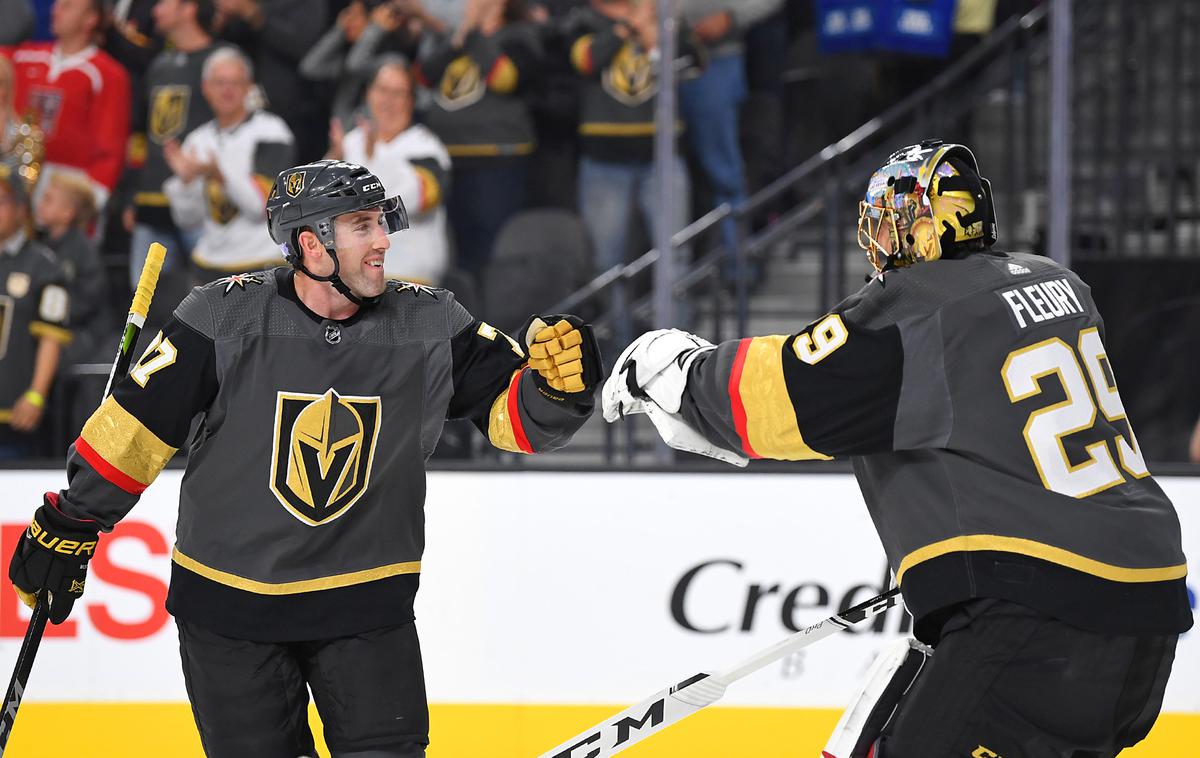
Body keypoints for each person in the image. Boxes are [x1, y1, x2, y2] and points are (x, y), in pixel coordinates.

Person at [602, 140, 1191, 756]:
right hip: (1148, 614)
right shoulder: (1061, 284)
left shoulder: (920, 307)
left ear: (929, 226)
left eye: (891, 220)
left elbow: (782, 398)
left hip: (1035, 617)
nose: (879, 240)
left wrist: (676, 372)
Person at [7, 158, 600, 757]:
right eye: (363, 226)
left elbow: (518, 421)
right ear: (312, 245)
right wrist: (71, 521)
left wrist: (558, 390)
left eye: (380, 223)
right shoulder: (220, 317)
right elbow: (133, 432)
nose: (383, 242)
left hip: (366, 608)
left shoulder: (430, 322)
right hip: (231, 613)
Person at [415, 0, 542, 282]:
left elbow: (504, 78)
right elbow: (423, 76)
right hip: (448, 158)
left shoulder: (519, 35)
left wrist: (472, 34)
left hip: (496, 161)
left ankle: (494, 318)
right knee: (453, 253)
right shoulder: (457, 38)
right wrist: (458, 39)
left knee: (489, 252)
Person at [162, 46, 293, 282]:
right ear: (205, 88)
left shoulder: (272, 131)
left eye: (235, 83)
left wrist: (218, 175)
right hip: (209, 262)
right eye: (219, 83)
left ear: (249, 86)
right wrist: (186, 182)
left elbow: (263, 207)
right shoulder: (197, 140)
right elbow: (187, 219)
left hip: (261, 261)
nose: (227, 90)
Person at [124, 0, 223, 291]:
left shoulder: (223, 62)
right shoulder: (159, 65)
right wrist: (133, 194)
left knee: (214, 300)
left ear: (188, 8)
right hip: (152, 203)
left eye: (163, 3)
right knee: (144, 306)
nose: (154, 11)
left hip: (201, 204)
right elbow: (142, 135)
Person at [328, 58, 452, 285]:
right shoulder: (351, 142)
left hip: (409, 278)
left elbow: (418, 201)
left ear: (411, 101)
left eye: (398, 93)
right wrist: (332, 158)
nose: (388, 101)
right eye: (382, 90)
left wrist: (376, 155)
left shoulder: (426, 147)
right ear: (368, 94)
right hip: (351, 277)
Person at [2, 0, 131, 208]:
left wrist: (90, 200)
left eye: (67, 6)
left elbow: (111, 151)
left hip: (68, 188)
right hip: (16, 176)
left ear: (90, 19)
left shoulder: (108, 74)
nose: (55, 10)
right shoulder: (25, 57)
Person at [0, 165, 71, 460]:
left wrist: (36, 395)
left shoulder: (44, 265)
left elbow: (50, 339)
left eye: (1, 201)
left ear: (21, 209)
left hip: (11, 415)